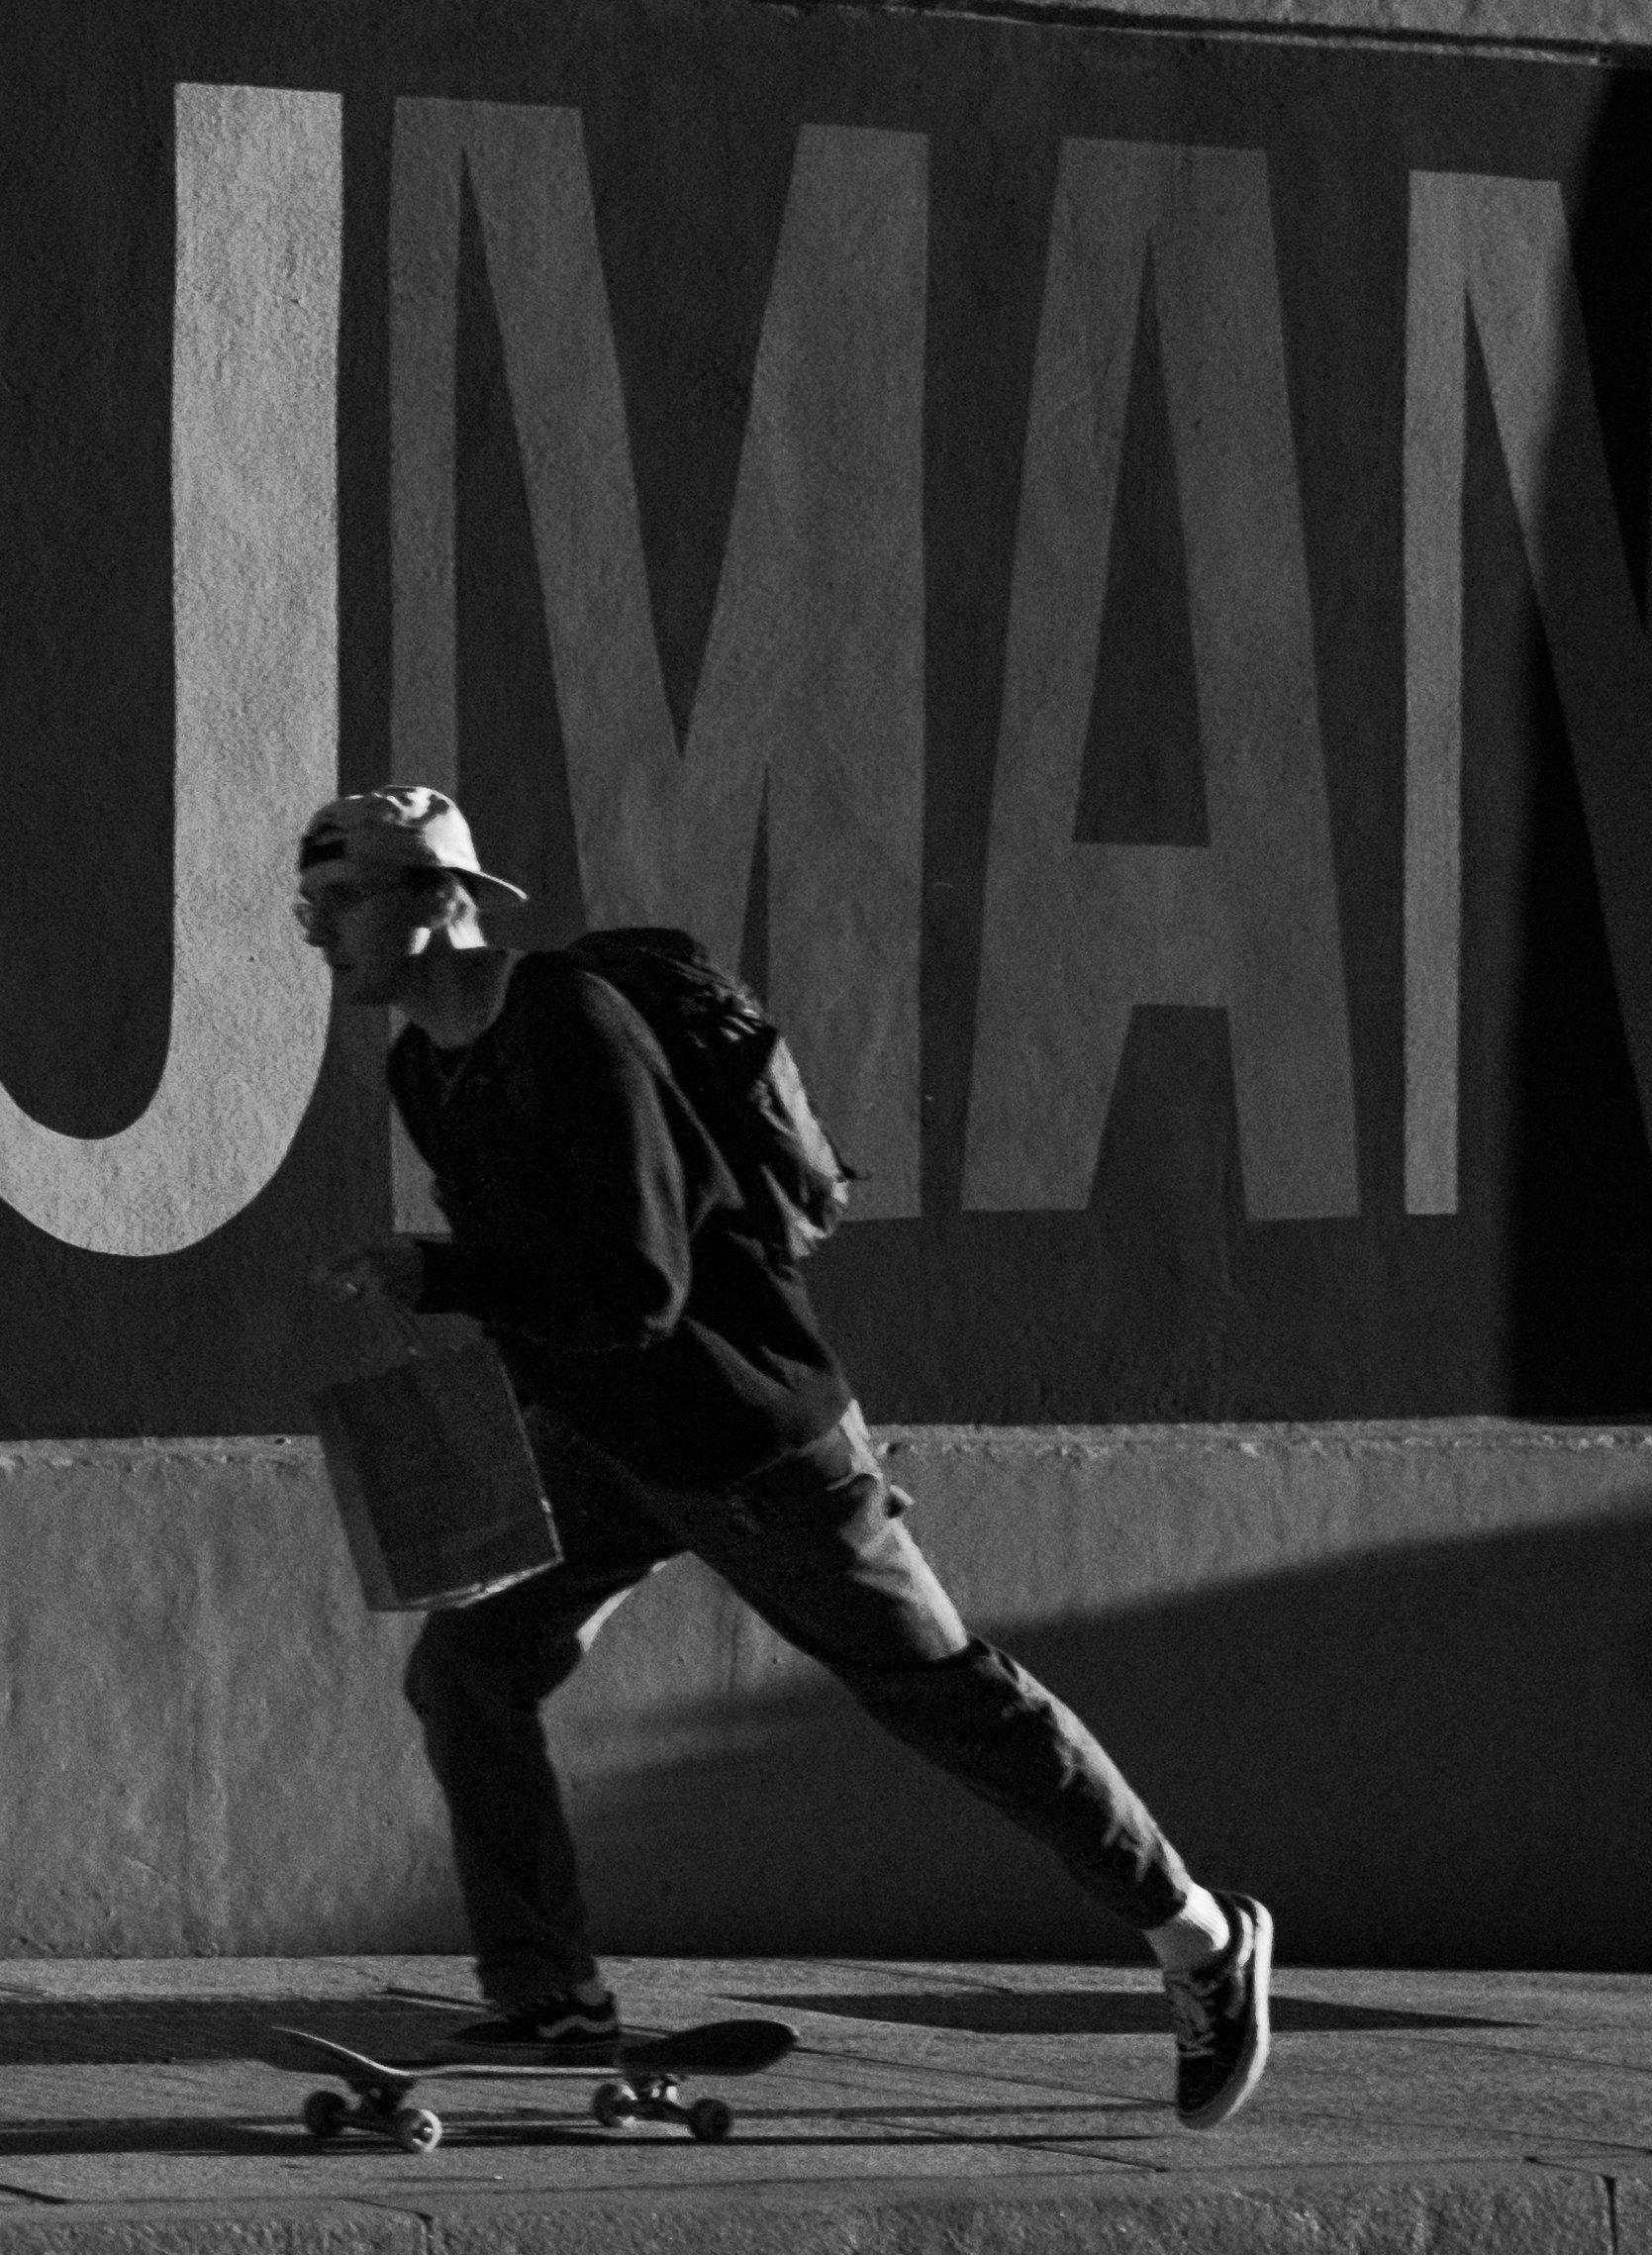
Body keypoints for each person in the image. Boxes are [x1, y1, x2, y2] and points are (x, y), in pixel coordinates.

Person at [297, 785, 1275, 2128]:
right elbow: (549, 1287)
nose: (318, 930)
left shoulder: (574, 1027)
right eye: (313, 905)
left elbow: (640, 1286)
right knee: (470, 1669)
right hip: (610, 1446)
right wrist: (500, 1438)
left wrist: (440, 1272)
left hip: (750, 1446)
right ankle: (550, 1998)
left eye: (341, 898)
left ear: (438, 897)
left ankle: (1202, 1938)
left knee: (947, 1698)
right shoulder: (427, 1068)